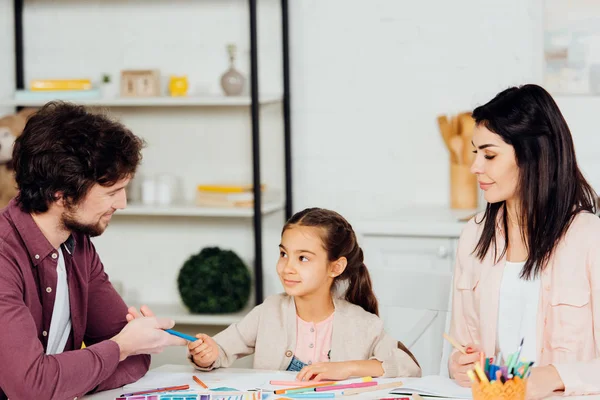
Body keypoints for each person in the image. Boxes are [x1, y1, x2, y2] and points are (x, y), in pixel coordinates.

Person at [0, 102, 186, 400]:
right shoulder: (3, 257)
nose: (122, 203)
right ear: (60, 193)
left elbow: (136, 358)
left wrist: (69, 377)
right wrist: (120, 348)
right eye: (111, 192)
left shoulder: (78, 245)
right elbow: (30, 386)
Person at [448, 84, 600, 398]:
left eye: (489, 154)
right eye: (476, 153)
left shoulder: (589, 237)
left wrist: (556, 375)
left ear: (532, 155)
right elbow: (462, 347)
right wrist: (459, 364)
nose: (476, 166)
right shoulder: (474, 235)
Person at [187, 207, 421, 381]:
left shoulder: (363, 324)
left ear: (335, 267)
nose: (287, 267)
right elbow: (221, 349)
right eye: (283, 254)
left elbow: (408, 367)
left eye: (303, 258)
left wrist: (347, 368)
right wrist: (207, 355)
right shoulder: (268, 312)